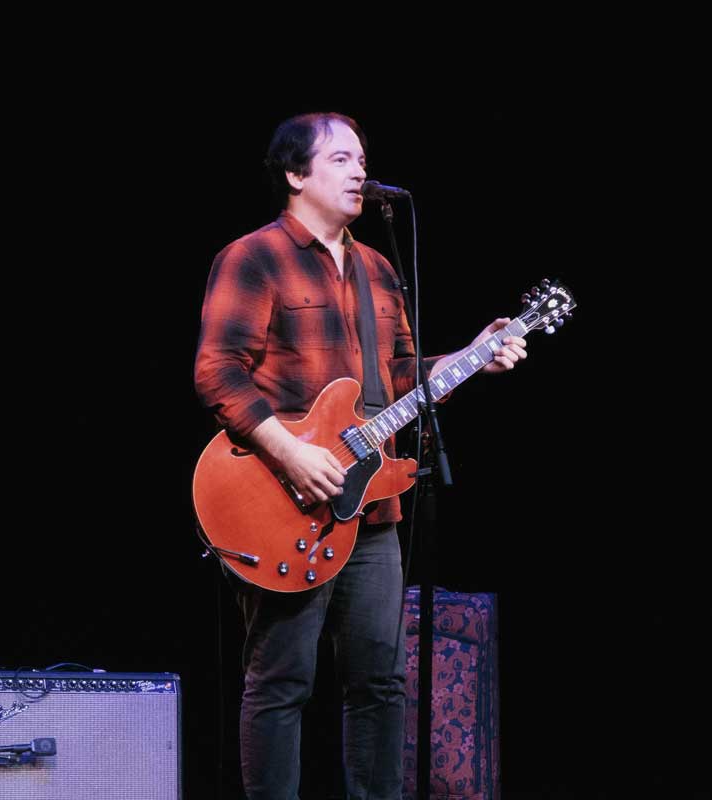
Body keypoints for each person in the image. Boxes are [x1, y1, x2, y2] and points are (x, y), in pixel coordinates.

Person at [194, 111, 527, 800]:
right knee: (282, 681)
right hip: (282, 502)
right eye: (341, 159)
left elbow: (402, 380)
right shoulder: (253, 257)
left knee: (380, 679)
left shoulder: (378, 267)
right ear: (296, 175)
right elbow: (217, 371)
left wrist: (473, 357)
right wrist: (289, 453)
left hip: (371, 509)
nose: (359, 172)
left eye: (362, 159)